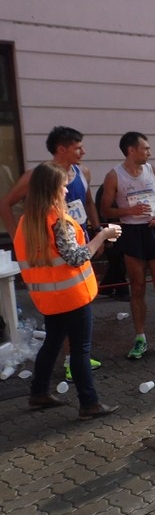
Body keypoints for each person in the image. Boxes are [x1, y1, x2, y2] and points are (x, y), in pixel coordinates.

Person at [15, 163, 120, 419]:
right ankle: (89, 403)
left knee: (52, 343)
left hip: (48, 298)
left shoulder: (26, 223)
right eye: (62, 186)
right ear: (51, 190)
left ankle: (39, 393)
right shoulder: (58, 221)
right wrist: (103, 235)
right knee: (80, 350)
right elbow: (76, 257)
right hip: (73, 297)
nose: (65, 190)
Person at [0, 126, 104, 376]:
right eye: (78, 147)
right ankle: (73, 362)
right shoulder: (37, 176)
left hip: (77, 242)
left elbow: (88, 203)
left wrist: (97, 230)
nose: (83, 152)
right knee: (65, 305)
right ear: (61, 149)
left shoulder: (83, 172)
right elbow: (6, 204)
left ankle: (72, 361)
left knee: (70, 312)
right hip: (52, 252)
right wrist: (18, 238)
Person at [100, 131, 155, 359]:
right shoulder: (114, 176)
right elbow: (105, 210)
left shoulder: (154, 171)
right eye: (145, 148)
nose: (149, 152)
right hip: (132, 232)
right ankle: (140, 338)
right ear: (131, 150)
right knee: (137, 286)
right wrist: (129, 210)